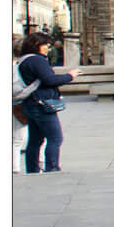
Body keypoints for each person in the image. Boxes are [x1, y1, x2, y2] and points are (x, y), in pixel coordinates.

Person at [15, 30, 74, 173]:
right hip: (41, 104)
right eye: (46, 45)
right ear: (36, 44)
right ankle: (52, 167)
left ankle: (33, 169)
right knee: (55, 138)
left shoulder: (24, 59)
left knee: (35, 140)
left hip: (30, 103)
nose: (49, 48)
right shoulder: (37, 60)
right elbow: (49, 80)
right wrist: (70, 76)